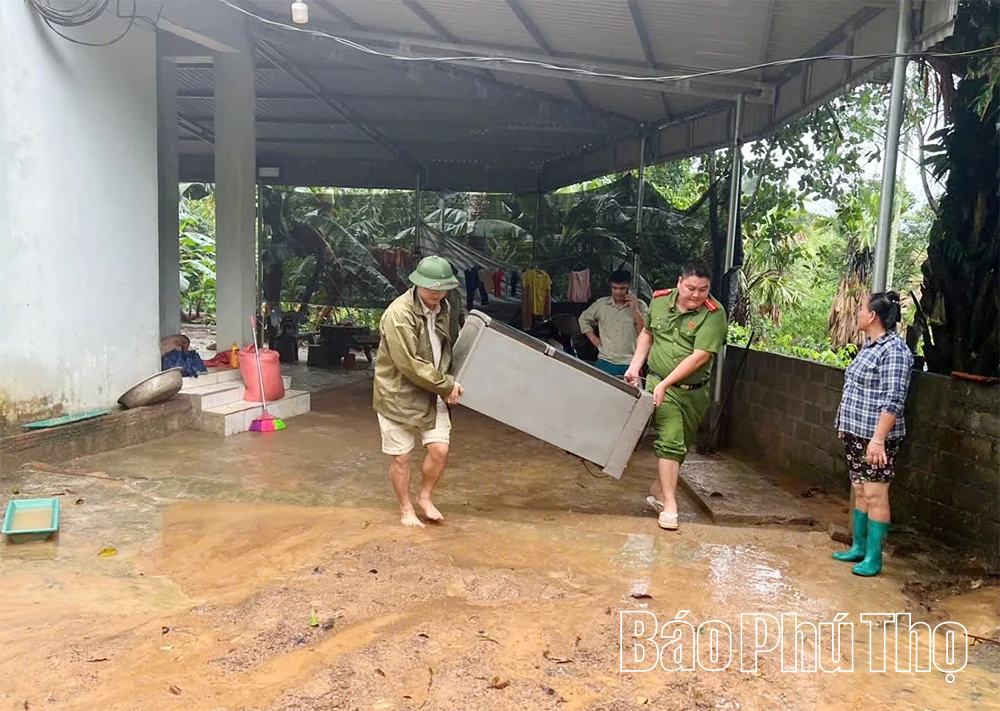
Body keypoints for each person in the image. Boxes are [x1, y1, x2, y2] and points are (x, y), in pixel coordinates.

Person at [624, 262, 727, 531]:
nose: (696, 295)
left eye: (703, 290)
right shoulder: (659, 301)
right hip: (660, 383)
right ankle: (670, 505)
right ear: (679, 282)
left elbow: (700, 356)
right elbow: (648, 334)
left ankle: (659, 489)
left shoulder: (714, 314)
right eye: (691, 288)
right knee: (670, 439)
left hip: (694, 392)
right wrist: (635, 367)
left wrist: (667, 383)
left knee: (682, 444)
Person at [373, 256, 464, 527]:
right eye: (430, 287)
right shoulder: (398, 314)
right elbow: (409, 364)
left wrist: (451, 379)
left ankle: (425, 496)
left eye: (441, 288)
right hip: (397, 393)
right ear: (417, 283)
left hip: (431, 389)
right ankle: (405, 509)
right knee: (401, 457)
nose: (435, 293)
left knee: (440, 449)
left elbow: (451, 346)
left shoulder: (445, 306)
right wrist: (446, 385)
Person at [832, 292, 913, 577]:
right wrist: (845, 424)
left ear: (873, 316)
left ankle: (874, 558)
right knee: (860, 490)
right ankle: (859, 547)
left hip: (877, 437)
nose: (857, 313)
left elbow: (894, 399)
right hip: (856, 432)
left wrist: (878, 439)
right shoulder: (870, 346)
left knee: (876, 493)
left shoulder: (895, 351)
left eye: (860, 309)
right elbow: (854, 389)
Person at [578, 269, 648, 377]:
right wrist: (594, 339)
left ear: (629, 288)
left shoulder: (640, 305)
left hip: (629, 363)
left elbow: (645, 332)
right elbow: (583, 319)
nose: (618, 292)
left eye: (622, 288)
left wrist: (635, 310)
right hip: (604, 360)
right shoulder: (601, 304)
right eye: (614, 288)